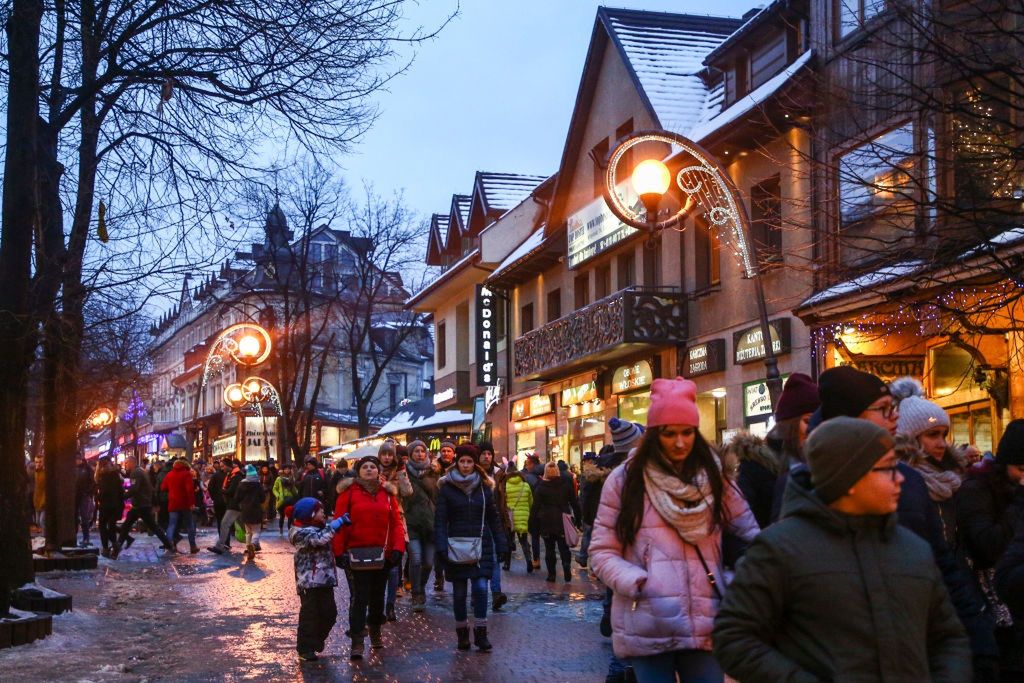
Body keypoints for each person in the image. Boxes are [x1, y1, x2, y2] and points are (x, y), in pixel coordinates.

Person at [713, 417, 971, 682]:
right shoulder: (779, 550)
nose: (900, 479)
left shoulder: (913, 549)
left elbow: (948, 638)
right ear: (848, 478)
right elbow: (734, 639)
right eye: (887, 469)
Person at [808, 365, 999, 679]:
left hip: (915, 644)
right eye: (884, 410)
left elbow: (943, 566)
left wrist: (975, 640)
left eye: (892, 408)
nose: (893, 417)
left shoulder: (912, 481)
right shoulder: (807, 479)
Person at [590, 377, 759, 682]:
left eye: (687, 432)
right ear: (654, 434)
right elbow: (602, 551)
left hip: (705, 619)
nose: (679, 443)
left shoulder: (716, 478)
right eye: (669, 434)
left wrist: (730, 581)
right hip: (647, 620)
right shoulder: (624, 481)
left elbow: (752, 540)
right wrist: (637, 581)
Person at [958, 419, 1024, 674]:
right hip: (993, 603)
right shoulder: (977, 489)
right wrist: (1019, 505)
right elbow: (987, 546)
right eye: (1020, 468)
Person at [435, 443, 508, 652]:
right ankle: (462, 634)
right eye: (462, 461)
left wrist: (501, 543)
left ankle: (481, 634)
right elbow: (440, 520)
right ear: (457, 463)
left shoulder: (485, 487)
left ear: (474, 464)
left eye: (469, 462)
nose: (465, 465)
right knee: (459, 594)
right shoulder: (447, 488)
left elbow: (494, 518)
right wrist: (440, 547)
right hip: (455, 546)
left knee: (480, 589)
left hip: (481, 545)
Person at [332, 455, 406, 660]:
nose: (369, 469)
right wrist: (338, 552)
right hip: (355, 555)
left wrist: (398, 548)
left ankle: (375, 629)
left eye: (372, 466)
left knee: (377, 597)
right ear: (358, 470)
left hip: (382, 555)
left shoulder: (388, 493)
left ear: (378, 471)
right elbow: (339, 523)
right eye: (364, 466)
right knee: (359, 598)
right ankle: (357, 639)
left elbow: (397, 524)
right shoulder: (348, 493)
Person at [891, 377, 966, 547]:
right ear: (910, 439)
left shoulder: (952, 480)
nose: (941, 443)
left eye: (944, 434)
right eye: (933, 435)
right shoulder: (898, 481)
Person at [746, 373, 818, 527]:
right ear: (789, 426)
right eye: (808, 421)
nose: (814, 429)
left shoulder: (820, 465)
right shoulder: (756, 468)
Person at [288, 497, 351, 662]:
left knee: (330, 613)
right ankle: (305, 648)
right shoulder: (298, 532)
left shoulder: (321, 528)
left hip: (325, 580)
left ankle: (316, 640)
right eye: (320, 510)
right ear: (310, 513)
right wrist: (337, 523)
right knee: (309, 615)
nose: (324, 513)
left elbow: (327, 540)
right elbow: (318, 539)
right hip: (308, 582)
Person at [403, 439, 441, 612]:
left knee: (428, 562)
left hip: (431, 523)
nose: (419, 454)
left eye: (422, 451)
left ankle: (421, 586)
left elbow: (439, 498)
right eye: (416, 451)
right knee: (416, 558)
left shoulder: (434, 473)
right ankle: (417, 593)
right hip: (411, 523)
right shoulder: (404, 473)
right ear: (410, 454)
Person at [111, 456, 173, 559]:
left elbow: (135, 489)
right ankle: (168, 545)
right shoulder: (141, 471)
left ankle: (116, 551)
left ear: (132, 463)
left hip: (140, 505)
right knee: (148, 526)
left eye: (126, 463)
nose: (125, 465)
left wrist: (123, 496)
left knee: (130, 526)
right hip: (142, 504)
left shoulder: (136, 473)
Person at [377, 442, 412, 622]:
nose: (387, 457)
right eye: (384, 454)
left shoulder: (400, 472)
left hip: (396, 520)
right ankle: (377, 605)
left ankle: (390, 605)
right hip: (376, 521)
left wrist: (400, 473)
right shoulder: (372, 470)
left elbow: (407, 492)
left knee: (394, 564)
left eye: (390, 454)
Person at [531, 461, 580, 583]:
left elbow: (535, 507)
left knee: (549, 548)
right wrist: (578, 519)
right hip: (563, 519)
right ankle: (566, 564)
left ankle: (551, 574)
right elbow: (574, 503)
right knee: (564, 546)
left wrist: (532, 522)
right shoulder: (565, 485)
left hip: (546, 520)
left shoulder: (541, 487)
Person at [477, 442, 510, 611]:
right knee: (476, 559)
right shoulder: (473, 473)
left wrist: (506, 522)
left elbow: (503, 500)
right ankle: (477, 593)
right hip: (475, 522)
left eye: (489, 453)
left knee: (496, 558)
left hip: (494, 520)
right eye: (483, 453)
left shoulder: (499, 475)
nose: (487, 456)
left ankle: (496, 592)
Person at [162, 457, 200, 554]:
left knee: (172, 525)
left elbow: (163, 487)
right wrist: (191, 503)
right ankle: (193, 546)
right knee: (189, 524)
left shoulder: (169, 474)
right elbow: (189, 490)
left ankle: (168, 545)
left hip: (173, 502)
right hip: (185, 503)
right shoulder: (187, 474)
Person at [502, 461, 534, 573]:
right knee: (524, 541)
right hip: (523, 517)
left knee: (509, 541)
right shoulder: (525, 485)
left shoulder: (505, 485)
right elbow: (531, 502)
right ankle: (529, 561)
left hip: (510, 517)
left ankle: (507, 564)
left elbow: (503, 502)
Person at [208, 459, 245, 554]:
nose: (222, 468)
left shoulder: (236, 476)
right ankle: (253, 544)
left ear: (229, 466)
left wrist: (221, 491)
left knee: (225, 524)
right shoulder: (231, 475)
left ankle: (220, 546)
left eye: (223, 466)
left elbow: (231, 491)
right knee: (243, 526)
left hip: (235, 505)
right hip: (233, 504)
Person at [235, 464, 267, 561]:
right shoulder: (258, 485)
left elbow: (237, 498)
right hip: (256, 510)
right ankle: (253, 545)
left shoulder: (241, 484)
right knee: (256, 530)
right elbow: (262, 499)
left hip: (245, 510)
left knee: (248, 532)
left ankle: (248, 548)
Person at [95, 457, 124, 558]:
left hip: (106, 505)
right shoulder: (116, 475)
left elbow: (104, 492)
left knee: (102, 526)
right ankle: (115, 545)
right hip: (116, 505)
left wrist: (97, 497)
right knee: (111, 526)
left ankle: (106, 548)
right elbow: (121, 491)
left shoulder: (103, 476)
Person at [74, 454, 96, 547]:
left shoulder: (87, 469)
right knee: (74, 517)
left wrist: (87, 492)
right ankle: (73, 537)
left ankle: (86, 538)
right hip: (75, 495)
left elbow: (92, 482)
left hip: (84, 495)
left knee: (84, 517)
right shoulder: (73, 468)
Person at [273, 465, 299, 534]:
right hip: (282, 499)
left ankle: (289, 530)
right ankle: (281, 529)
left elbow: (294, 489)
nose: (287, 470)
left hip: (290, 499)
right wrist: (277, 495)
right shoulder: (279, 478)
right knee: (282, 515)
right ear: (283, 470)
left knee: (290, 515)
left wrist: (296, 491)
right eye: (285, 469)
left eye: (288, 469)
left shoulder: (292, 478)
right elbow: (274, 489)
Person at [209, 458, 229, 532]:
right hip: (226, 501)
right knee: (226, 521)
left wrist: (214, 497)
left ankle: (222, 539)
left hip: (218, 501)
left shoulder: (215, 475)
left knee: (220, 520)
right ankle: (225, 540)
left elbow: (210, 488)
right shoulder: (229, 475)